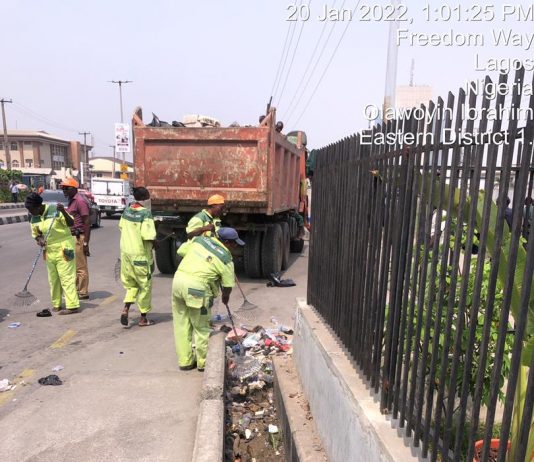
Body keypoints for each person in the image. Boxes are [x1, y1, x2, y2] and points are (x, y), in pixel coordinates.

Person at [172, 227, 244, 371]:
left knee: (181, 324)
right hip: (196, 289)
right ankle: (204, 362)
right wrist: (225, 298)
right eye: (234, 243)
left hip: (178, 283)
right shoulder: (226, 258)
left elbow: (181, 250)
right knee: (202, 327)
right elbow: (228, 286)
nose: (235, 247)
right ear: (227, 243)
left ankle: (185, 361)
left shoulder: (200, 240)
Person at [25, 192, 80, 316]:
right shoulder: (34, 217)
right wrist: (40, 240)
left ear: (39, 206)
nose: (30, 212)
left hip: (64, 247)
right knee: (53, 279)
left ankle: (72, 306)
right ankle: (56, 304)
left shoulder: (55, 210)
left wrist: (63, 212)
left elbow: (71, 223)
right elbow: (36, 234)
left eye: (31, 209)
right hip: (49, 249)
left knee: (66, 277)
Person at [119, 187, 157, 327]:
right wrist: (156, 243)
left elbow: (121, 227)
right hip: (140, 256)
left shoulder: (127, 210)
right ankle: (143, 318)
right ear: (145, 198)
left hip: (126, 254)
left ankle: (126, 309)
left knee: (131, 285)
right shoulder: (146, 213)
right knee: (144, 286)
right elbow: (148, 235)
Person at [61, 178, 91, 300]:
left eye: (66, 188)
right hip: (70, 237)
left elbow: (87, 222)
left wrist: (86, 243)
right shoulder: (71, 200)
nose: (64, 190)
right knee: (71, 266)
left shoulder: (80, 201)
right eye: (62, 188)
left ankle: (83, 292)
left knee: (80, 267)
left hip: (78, 238)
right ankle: (75, 290)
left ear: (74, 189)